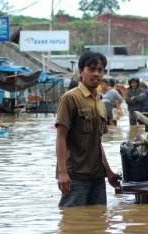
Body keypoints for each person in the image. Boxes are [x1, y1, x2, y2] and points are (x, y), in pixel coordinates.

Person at [55, 51, 119, 208]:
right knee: (72, 222)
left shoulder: (99, 100)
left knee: (97, 224)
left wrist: (108, 172)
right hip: (75, 176)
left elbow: (97, 143)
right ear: (81, 71)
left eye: (100, 69)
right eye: (91, 69)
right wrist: (63, 173)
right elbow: (61, 137)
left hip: (97, 176)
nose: (96, 73)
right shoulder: (70, 98)